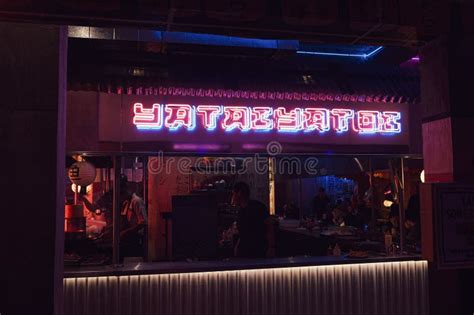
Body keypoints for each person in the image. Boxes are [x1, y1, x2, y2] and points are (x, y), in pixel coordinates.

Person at [81, 175, 147, 258]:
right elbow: (93, 207)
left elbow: (143, 223)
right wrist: (83, 198)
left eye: (120, 191)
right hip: (122, 239)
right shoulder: (123, 201)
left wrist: (125, 232)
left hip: (133, 240)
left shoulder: (136, 201)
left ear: (125, 188)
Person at [232, 182, 274, 258]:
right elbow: (243, 234)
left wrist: (271, 247)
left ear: (239, 194)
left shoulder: (257, 208)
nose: (233, 197)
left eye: (233, 194)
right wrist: (237, 246)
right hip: (245, 249)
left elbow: (269, 227)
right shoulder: (241, 210)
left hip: (258, 249)